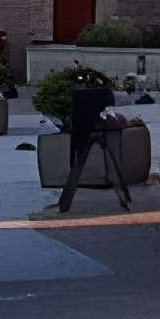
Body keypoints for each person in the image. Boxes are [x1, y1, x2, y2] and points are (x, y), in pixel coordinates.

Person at [54, 70, 132, 213]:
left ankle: (64, 205)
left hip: (82, 131)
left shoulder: (83, 96)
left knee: (79, 167)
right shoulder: (100, 95)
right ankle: (123, 199)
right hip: (86, 130)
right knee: (81, 166)